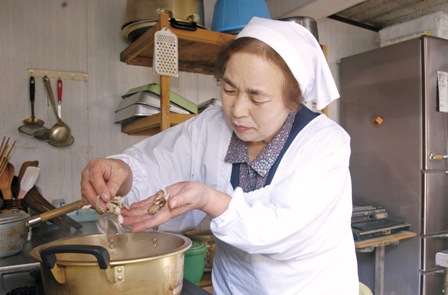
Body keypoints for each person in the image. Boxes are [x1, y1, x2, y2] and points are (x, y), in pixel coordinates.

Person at [81, 17, 359, 295]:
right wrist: (122, 172)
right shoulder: (212, 125)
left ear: (292, 100)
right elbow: (158, 166)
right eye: (228, 89)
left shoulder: (324, 144)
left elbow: (283, 232)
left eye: (257, 98)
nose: (237, 110)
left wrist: (209, 199)